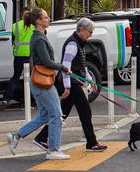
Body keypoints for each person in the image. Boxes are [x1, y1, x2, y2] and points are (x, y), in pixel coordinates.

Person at [32, 18, 108, 153]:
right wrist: (67, 87)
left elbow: (81, 65)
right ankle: (91, 142)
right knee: (85, 111)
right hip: (72, 83)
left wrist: (90, 80)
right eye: (90, 32)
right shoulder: (73, 44)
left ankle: (42, 137)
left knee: (63, 112)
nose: (91, 35)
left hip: (74, 81)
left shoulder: (79, 43)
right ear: (82, 30)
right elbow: (66, 66)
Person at [6, 9, 72, 160]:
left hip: (40, 82)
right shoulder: (38, 39)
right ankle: (53, 150)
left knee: (44, 115)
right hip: (44, 83)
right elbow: (46, 61)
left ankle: (16, 136)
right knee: (56, 115)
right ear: (38, 21)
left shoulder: (39, 36)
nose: (48, 19)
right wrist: (63, 68)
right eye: (46, 17)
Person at [0, 7, 32, 111]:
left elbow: (11, 41)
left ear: (20, 14)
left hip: (18, 56)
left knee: (15, 78)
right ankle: (25, 103)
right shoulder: (33, 26)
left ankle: (6, 99)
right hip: (29, 56)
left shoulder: (15, 26)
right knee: (28, 81)